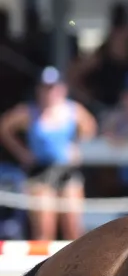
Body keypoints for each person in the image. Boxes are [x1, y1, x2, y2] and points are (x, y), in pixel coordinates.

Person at [0, 66, 96, 241]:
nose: (49, 92)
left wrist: (77, 146)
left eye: (52, 87)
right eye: (45, 88)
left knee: (74, 229)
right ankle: (44, 268)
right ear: (39, 90)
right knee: (44, 232)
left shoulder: (73, 110)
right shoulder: (28, 112)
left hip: (67, 170)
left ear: (61, 89)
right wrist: (22, 152)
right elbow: (4, 128)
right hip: (40, 172)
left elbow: (90, 127)